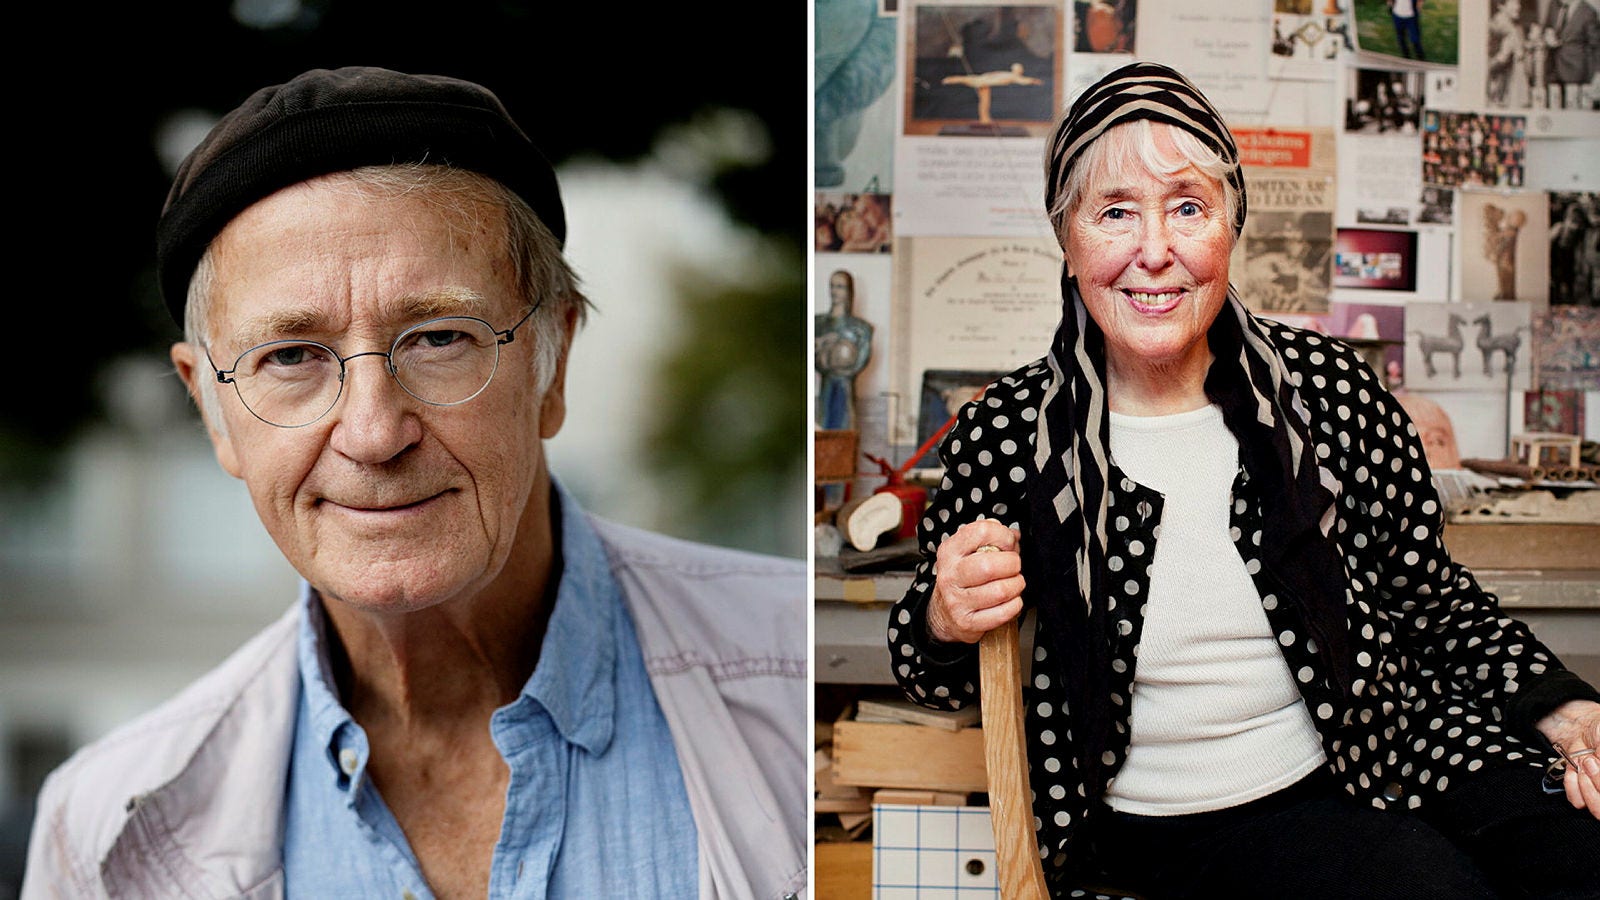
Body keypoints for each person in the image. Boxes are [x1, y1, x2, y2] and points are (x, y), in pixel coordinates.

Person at [22, 66, 808, 900]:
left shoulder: (807, 686)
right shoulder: (103, 830)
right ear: (214, 413)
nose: (372, 432)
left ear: (554, 362)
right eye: (290, 357)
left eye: (438, 338)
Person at [887, 61, 1600, 899]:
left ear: (1231, 225)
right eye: (1116, 212)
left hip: (1387, 741)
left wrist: (1571, 715)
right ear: (1069, 236)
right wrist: (945, 611)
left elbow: (1432, 598)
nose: (1155, 252)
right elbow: (924, 665)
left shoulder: (1329, 389)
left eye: (1188, 207)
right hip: (1180, 823)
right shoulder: (1009, 432)